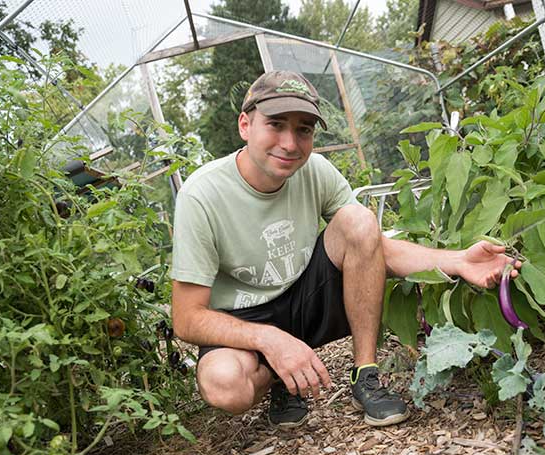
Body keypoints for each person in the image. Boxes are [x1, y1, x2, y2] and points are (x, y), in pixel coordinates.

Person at [171, 70, 520, 429]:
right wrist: (270, 341)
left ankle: (365, 374)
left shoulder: (315, 171)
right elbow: (186, 318)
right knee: (225, 386)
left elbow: (370, 244)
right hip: (243, 319)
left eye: (304, 129)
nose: (290, 143)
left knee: (359, 219)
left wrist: (459, 260)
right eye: (275, 125)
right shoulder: (202, 196)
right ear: (245, 125)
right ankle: (279, 376)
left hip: (305, 298)